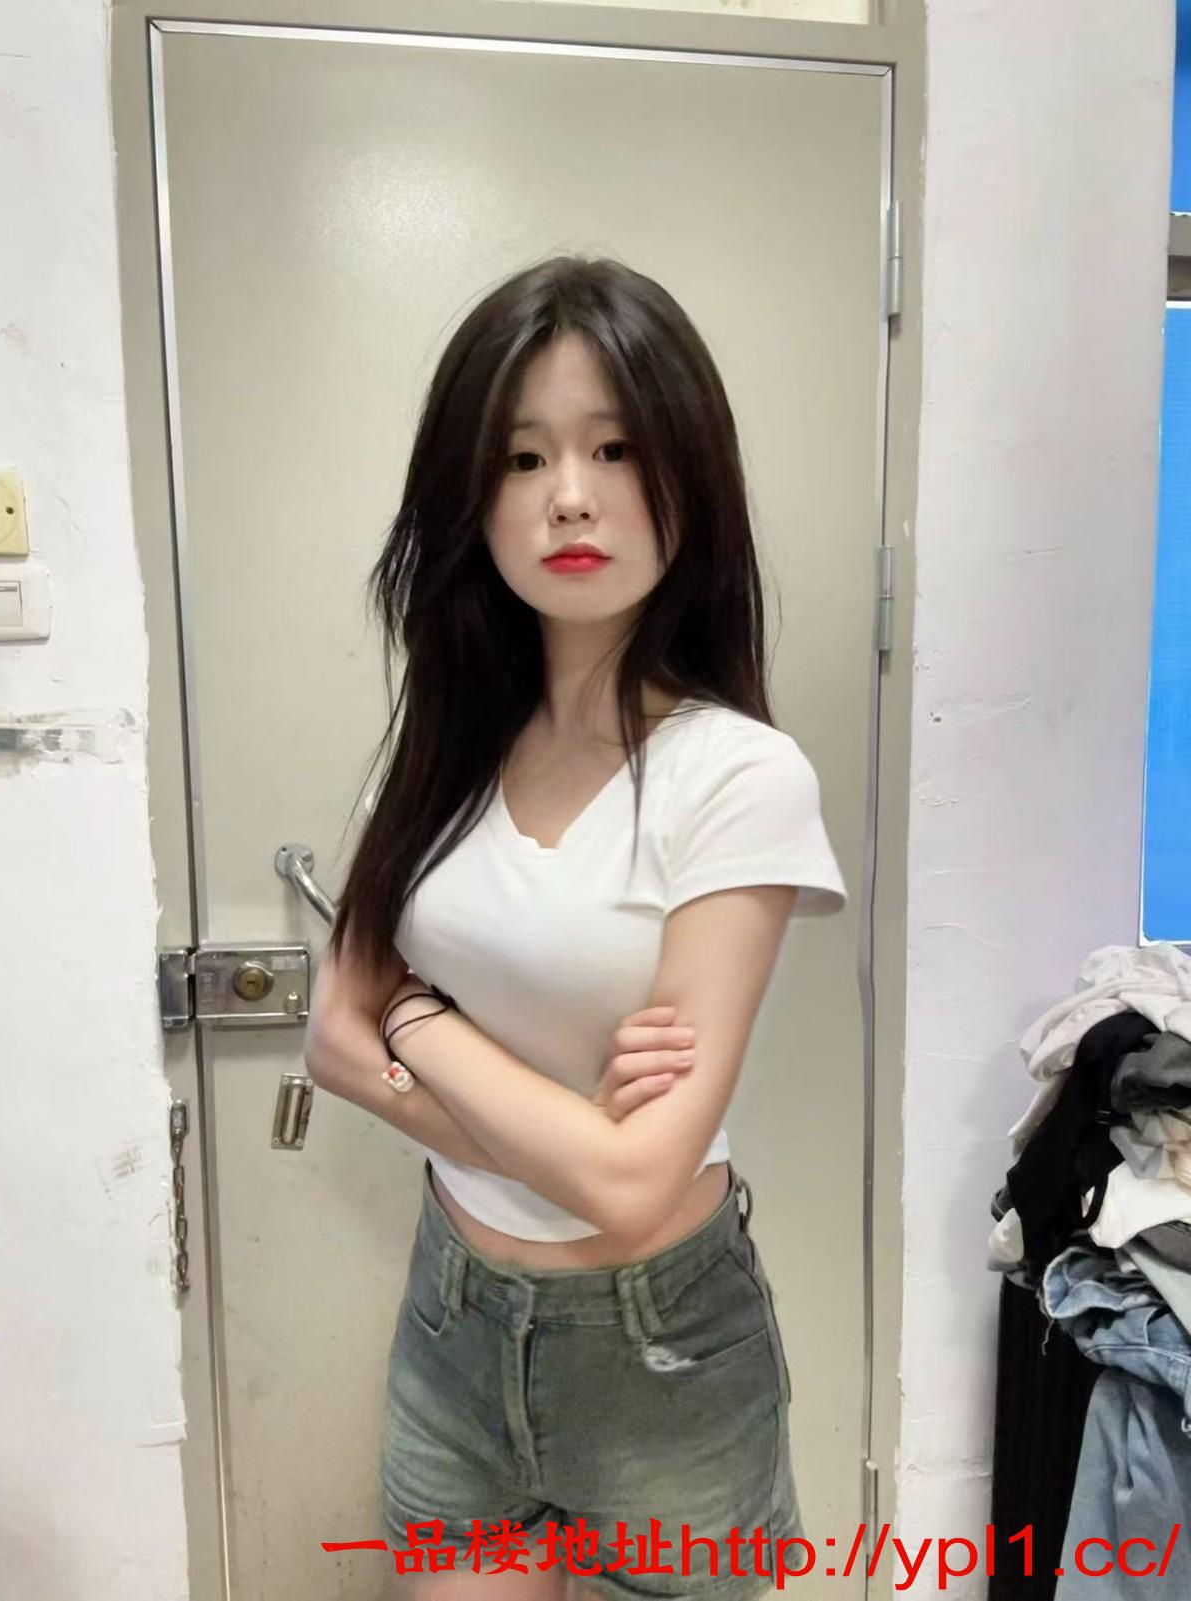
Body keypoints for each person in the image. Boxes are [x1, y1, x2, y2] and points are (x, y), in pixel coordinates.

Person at [305, 254, 848, 1599]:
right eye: (522, 456)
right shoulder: (438, 755)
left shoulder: (740, 775)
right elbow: (327, 1041)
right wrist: (580, 1144)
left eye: (615, 448)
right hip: (453, 1314)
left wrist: (416, 1019)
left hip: (662, 1346)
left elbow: (637, 1186)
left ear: (687, 478)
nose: (569, 495)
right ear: (469, 495)